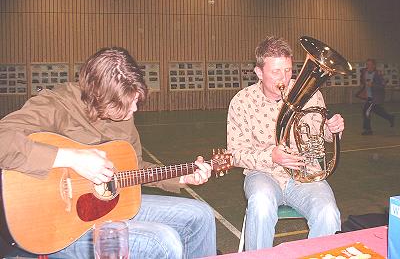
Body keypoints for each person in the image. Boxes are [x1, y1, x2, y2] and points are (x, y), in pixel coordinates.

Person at [0, 47, 216, 258]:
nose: (134, 110)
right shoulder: (58, 104)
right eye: (125, 104)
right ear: (98, 96)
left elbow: (133, 167)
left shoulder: (124, 116)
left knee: (201, 216)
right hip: (54, 225)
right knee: (162, 240)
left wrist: (181, 176)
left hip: (108, 209)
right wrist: (72, 158)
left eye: (135, 101)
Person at [227, 36, 344, 250]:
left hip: (305, 173)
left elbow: (319, 135)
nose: (284, 78)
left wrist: (331, 130)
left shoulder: (311, 94)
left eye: (289, 70)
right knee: (261, 205)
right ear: (259, 72)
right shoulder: (242, 101)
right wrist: (271, 156)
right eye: (276, 71)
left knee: (328, 212)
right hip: (262, 173)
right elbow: (235, 154)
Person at [356, 58, 395, 135]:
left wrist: (372, 85)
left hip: (374, 98)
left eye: (370, 64)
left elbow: (382, 86)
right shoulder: (364, 72)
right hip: (369, 97)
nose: (368, 66)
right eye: (367, 64)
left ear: (374, 65)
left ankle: (368, 130)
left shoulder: (378, 75)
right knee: (378, 111)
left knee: (366, 112)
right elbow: (363, 81)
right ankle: (390, 117)